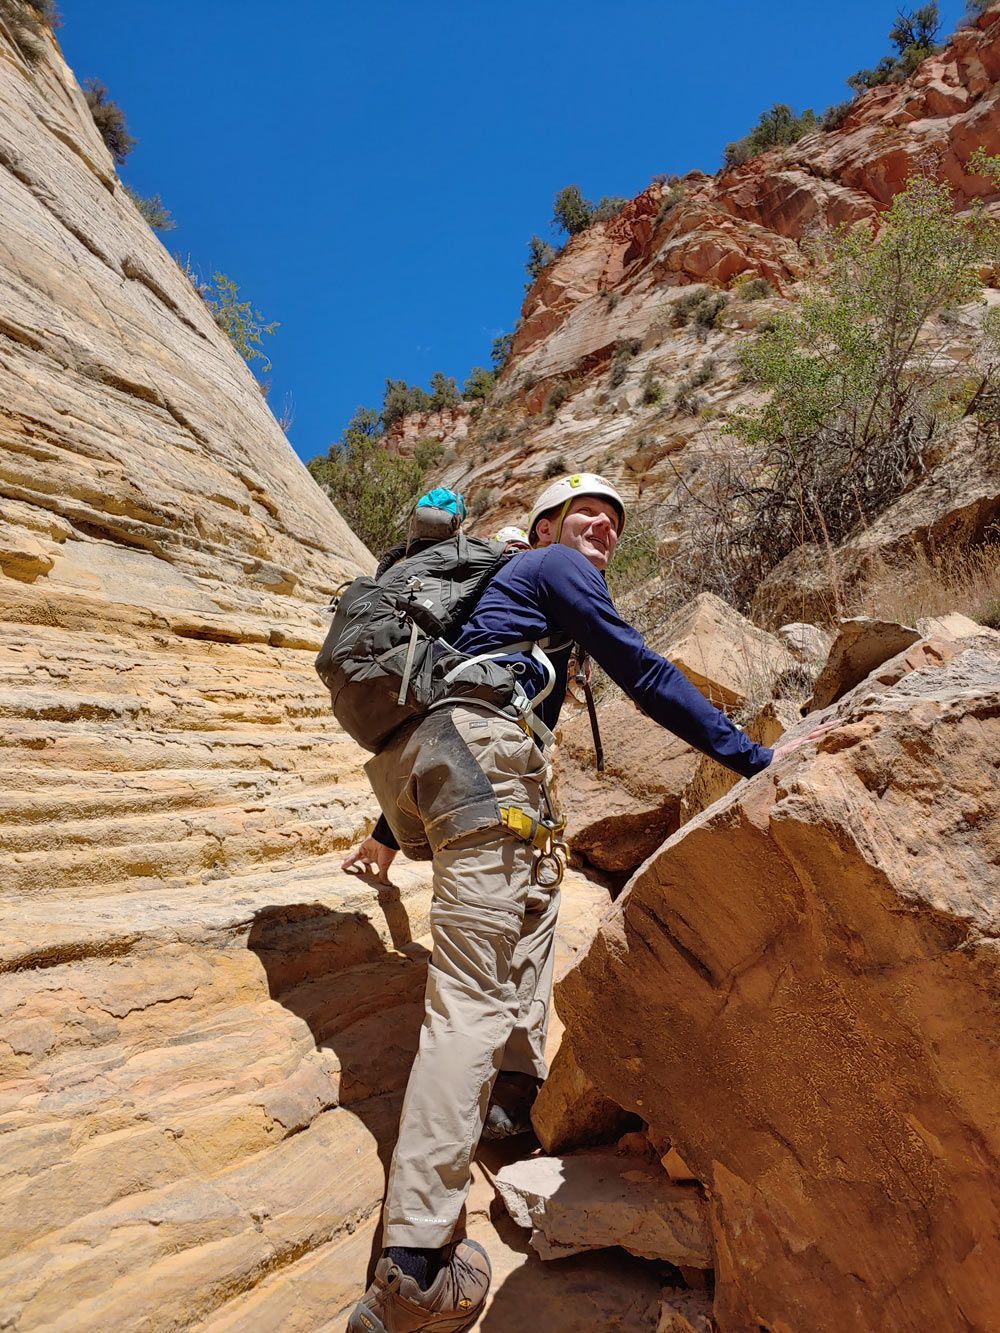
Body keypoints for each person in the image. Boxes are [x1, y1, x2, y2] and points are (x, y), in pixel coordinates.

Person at [346, 472, 830, 1333]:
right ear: (543, 529)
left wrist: (386, 834)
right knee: (467, 998)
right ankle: (415, 1264)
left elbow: (448, 697)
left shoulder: (494, 602)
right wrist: (759, 758)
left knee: (541, 882)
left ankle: (511, 1094)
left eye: (612, 519)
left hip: (432, 765)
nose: (600, 527)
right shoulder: (554, 571)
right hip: (476, 764)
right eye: (582, 514)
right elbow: (641, 671)